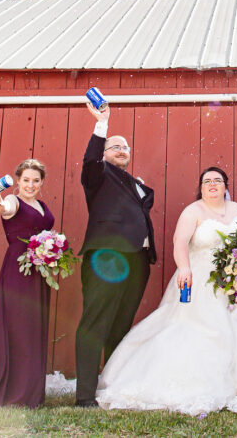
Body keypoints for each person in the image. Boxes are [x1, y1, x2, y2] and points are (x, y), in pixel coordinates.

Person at [95, 167, 237, 414]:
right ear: (201, 187)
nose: (212, 185)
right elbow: (180, 243)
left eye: (217, 180)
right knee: (196, 329)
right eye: (207, 181)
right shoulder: (193, 211)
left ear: (225, 185)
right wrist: (184, 268)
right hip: (201, 280)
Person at [75, 102, 156, 407]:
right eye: (115, 146)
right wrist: (102, 125)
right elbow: (91, 160)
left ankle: (110, 387)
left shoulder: (135, 184)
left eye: (125, 147)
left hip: (137, 260)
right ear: (105, 153)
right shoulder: (99, 175)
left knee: (120, 325)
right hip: (108, 257)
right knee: (95, 322)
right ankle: (84, 396)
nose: (121, 150)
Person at [0, 159, 56, 410]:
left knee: (33, 327)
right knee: (18, 326)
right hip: (19, 270)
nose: (30, 185)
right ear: (17, 181)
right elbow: (6, 209)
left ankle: (31, 392)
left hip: (39, 270)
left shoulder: (41, 205)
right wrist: (0, 206)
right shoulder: (14, 201)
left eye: (35, 180)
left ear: (41, 182)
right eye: (26, 180)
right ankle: (13, 393)